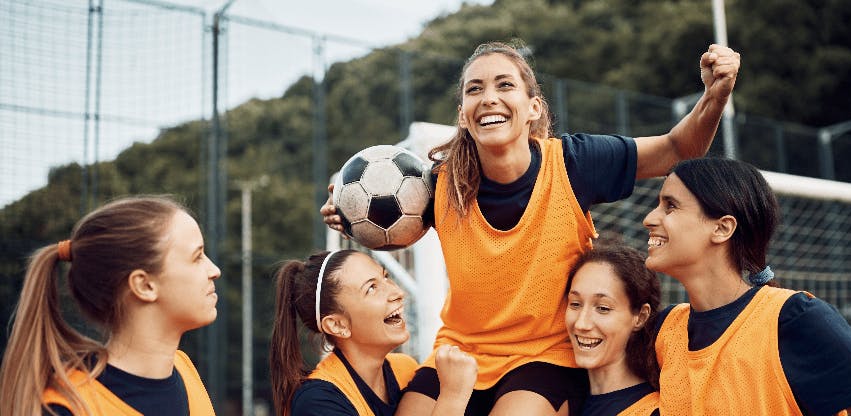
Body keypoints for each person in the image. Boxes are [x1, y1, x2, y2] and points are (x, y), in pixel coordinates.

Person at [321, 40, 740, 415]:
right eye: (474, 89)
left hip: (546, 356)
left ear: (533, 108)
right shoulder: (436, 186)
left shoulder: (574, 164)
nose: (489, 98)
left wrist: (715, 95)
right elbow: (388, 225)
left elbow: (677, 149)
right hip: (461, 350)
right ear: (463, 116)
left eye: (504, 85)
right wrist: (349, 211)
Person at [642, 157, 851, 415]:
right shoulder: (665, 330)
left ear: (722, 228)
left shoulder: (795, 320)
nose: (649, 219)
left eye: (671, 206)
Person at [0, 196, 220, 416]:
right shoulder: (65, 408)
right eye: (197, 256)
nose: (214, 270)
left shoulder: (185, 370)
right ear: (144, 285)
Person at [269, 249, 477, 416]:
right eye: (371, 288)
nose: (397, 292)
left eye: (385, 277)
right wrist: (453, 397)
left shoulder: (404, 368)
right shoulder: (317, 401)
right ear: (337, 325)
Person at [565, 243, 661, 416]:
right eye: (575, 304)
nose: (581, 324)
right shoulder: (557, 401)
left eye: (603, 308)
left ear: (640, 317)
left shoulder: (651, 411)